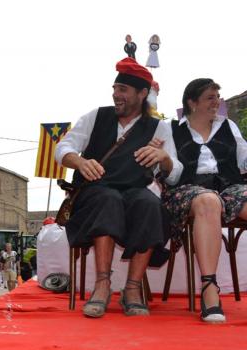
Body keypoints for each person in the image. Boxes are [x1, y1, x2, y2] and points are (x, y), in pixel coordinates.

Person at [55, 57, 180, 318]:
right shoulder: (96, 116)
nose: (116, 95)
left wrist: (164, 158)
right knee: (107, 199)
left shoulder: (158, 127)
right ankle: (102, 284)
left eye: (123, 89)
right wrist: (79, 161)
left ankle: (132, 288)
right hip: (94, 193)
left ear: (142, 93)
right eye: (115, 89)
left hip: (134, 192)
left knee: (150, 205)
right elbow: (62, 148)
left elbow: (175, 172)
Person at [160, 78, 247, 324]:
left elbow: (244, 159)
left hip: (229, 188)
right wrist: (164, 160)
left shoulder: (228, 126)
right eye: (211, 97)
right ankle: (209, 289)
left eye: (217, 97)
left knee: (219, 199)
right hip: (185, 189)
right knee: (208, 201)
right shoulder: (171, 129)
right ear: (192, 102)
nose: (217, 102)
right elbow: (173, 173)